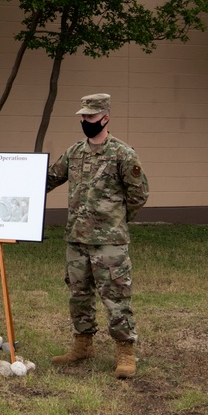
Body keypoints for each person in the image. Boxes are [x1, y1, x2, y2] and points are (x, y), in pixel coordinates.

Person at [45, 93, 149, 379]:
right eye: (82, 117)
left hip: (109, 242)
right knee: (78, 294)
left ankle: (125, 351)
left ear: (105, 117)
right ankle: (83, 344)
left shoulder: (122, 154)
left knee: (116, 295)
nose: (85, 121)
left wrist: (117, 220)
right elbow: (50, 179)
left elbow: (139, 193)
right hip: (76, 239)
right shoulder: (74, 152)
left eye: (90, 117)